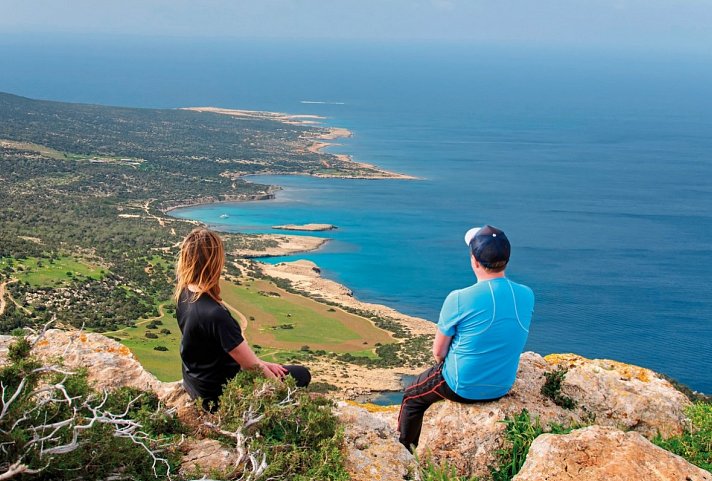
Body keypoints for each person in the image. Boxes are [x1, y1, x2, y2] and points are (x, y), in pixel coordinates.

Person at [398, 225, 534, 451]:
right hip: (502, 384)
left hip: (462, 387)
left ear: (475, 261)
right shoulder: (527, 294)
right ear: (507, 259)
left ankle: (405, 452)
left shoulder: (459, 298)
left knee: (411, 397)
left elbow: (439, 352)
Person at [174, 228, 310, 410]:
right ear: (215, 263)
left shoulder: (184, 295)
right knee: (301, 374)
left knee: (280, 369)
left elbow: (213, 351)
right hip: (218, 395)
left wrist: (265, 363)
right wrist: (283, 394)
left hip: (196, 383)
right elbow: (252, 366)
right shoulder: (215, 314)